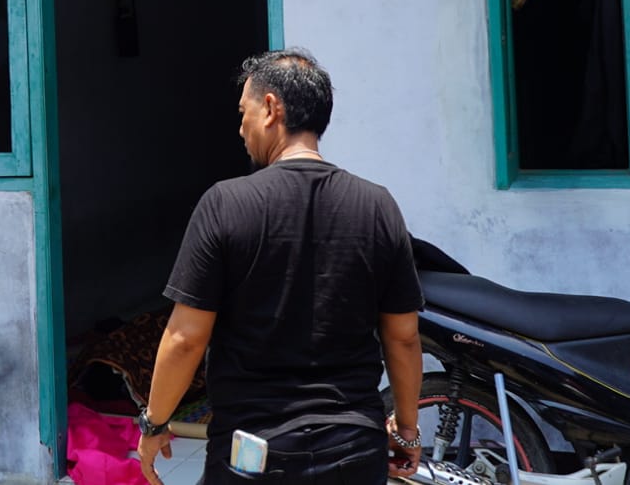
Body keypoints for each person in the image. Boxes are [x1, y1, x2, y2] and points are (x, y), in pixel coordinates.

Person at [136, 49, 425, 485]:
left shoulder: (225, 204)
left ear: (271, 108)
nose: (240, 128)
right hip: (354, 447)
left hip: (253, 451)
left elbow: (185, 338)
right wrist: (406, 430)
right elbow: (403, 337)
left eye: (243, 112)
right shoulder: (378, 206)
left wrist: (154, 424)